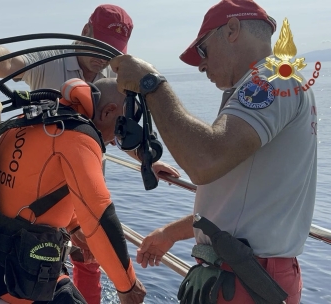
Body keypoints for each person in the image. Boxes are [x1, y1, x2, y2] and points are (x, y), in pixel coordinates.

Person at [0, 4, 180, 303]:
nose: (103, 56)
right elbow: (7, 62)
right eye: (100, 45)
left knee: (87, 249)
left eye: (112, 51)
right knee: (92, 236)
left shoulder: (103, 79)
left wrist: (147, 160)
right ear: (85, 33)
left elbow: (114, 126)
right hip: (21, 272)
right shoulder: (54, 73)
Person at [108, 0, 316, 303]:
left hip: (246, 280)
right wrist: (170, 233)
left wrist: (152, 86)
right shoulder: (272, 83)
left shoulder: (270, 79)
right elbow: (239, 203)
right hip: (247, 274)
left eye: (202, 51)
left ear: (232, 29)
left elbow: (205, 161)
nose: (201, 65)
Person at [0, 77, 146, 303]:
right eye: (120, 131)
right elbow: (99, 216)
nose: (115, 142)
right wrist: (128, 286)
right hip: (21, 282)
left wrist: (74, 225)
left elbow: (29, 188)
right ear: (108, 111)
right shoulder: (78, 135)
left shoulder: (26, 120)